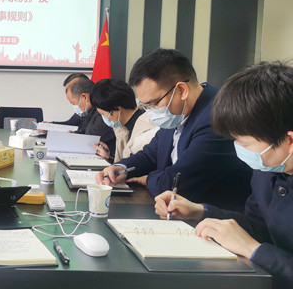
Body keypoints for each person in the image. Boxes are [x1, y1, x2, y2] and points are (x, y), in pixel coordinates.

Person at [154, 62, 293, 289]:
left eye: (244, 143)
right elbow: (257, 226)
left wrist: (254, 250)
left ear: (289, 141)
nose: (239, 149)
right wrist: (200, 211)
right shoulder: (267, 171)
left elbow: (255, 243)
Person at [96, 49, 251, 211]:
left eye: (154, 104)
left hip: (214, 217)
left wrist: (148, 178)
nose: (151, 111)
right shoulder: (178, 112)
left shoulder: (217, 117)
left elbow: (173, 185)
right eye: (145, 106)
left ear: (182, 90)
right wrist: (122, 168)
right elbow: (152, 153)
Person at [90, 78, 158, 163]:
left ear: (118, 109)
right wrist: (109, 157)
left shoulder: (145, 130)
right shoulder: (122, 127)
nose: (104, 118)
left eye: (103, 114)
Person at [67, 77, 116, 156]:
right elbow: (86, 130)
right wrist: (74, 134)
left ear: (84, 97)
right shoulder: (90, 112)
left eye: (73, 103)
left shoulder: (101, 112)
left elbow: (91, 138)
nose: (74, 107)